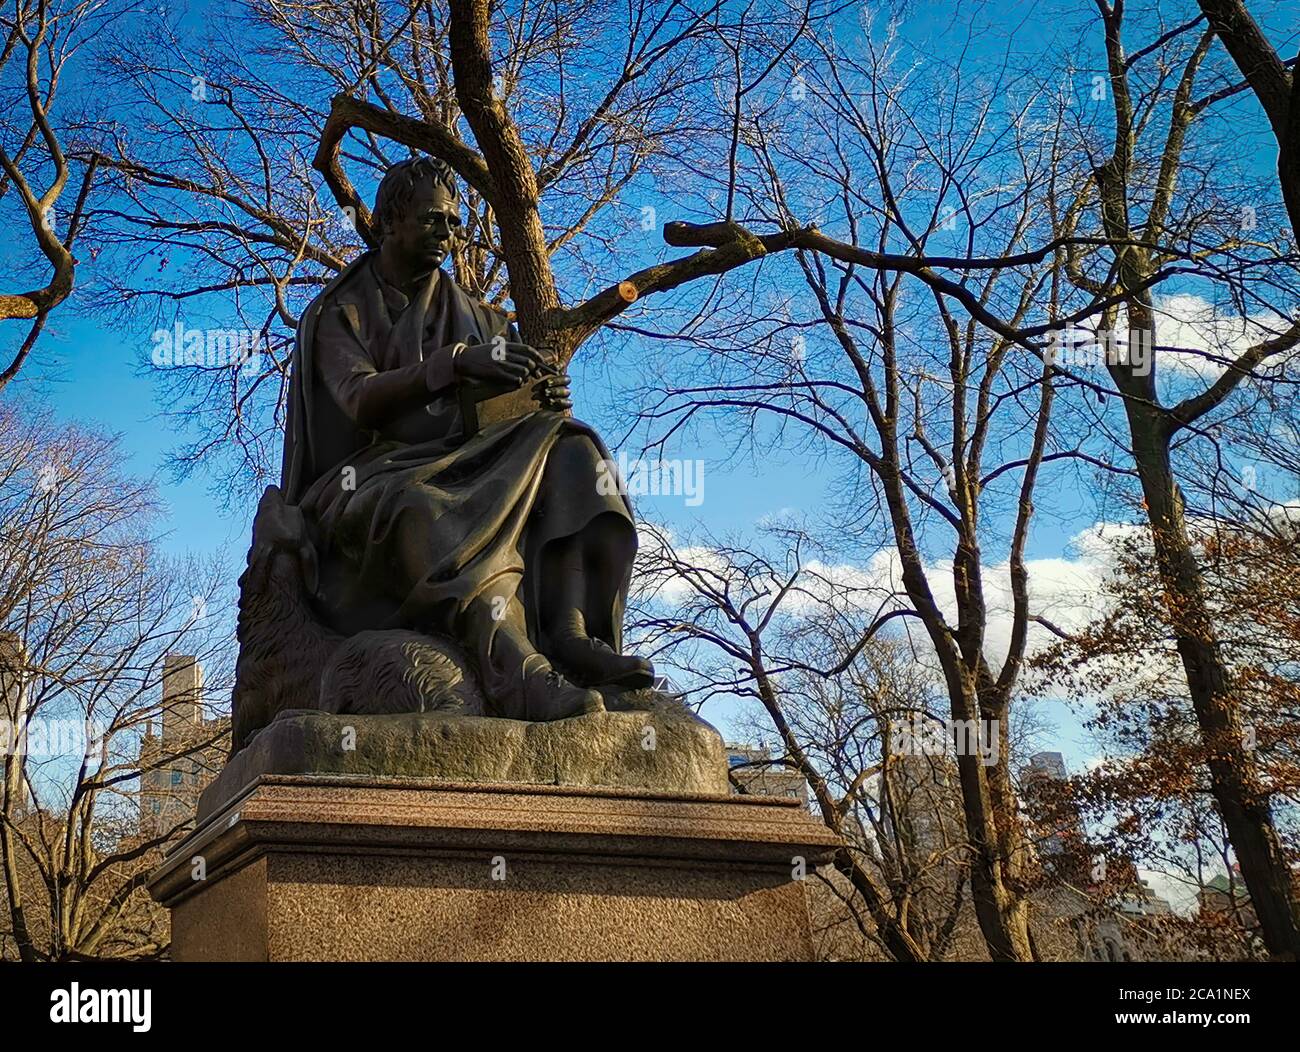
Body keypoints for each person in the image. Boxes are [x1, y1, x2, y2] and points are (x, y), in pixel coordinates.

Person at [280, 156, 653, 720]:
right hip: (367, 478)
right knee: (428, 508)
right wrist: (452, 366)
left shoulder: (483, 319)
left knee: (575, 446)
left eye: (454, 223)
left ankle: (571, 628)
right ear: (388, 222)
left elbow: (513, 393)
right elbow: (358, 397)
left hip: (469, 456)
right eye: (433, 220)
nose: (448, 235)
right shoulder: (341, 312)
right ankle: (520, 673)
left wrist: (542, 395)